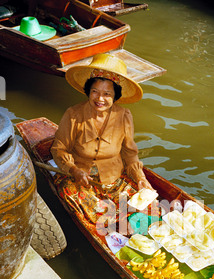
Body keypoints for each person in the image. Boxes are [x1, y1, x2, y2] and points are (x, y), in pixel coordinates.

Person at [51, 53, 156, 234]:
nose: (100, 99)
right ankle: (111, 226)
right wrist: (74, 170)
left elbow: (130, 154)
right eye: (95, 92)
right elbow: (59, 148)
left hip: (114, 179)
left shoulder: (124, 116)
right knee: (71, 193)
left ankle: (119, 223)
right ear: (88, 92)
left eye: (107, 94)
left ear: (115, 96)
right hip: (80, 179)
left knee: (150, 204)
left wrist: (140, 178)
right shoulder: (73, 114)